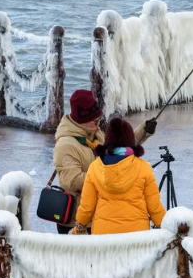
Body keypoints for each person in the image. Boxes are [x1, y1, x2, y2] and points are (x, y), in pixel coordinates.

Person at [72, 117, 166, 278]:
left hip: (104, 242)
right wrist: (168, 229)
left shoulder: (96, 168)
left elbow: (86, 207)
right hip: (136, 242)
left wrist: (78, 229)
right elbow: (155, 208)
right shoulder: (143, 168)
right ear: (130, 142)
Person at [52, 89, 156, 234]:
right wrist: (106, 175)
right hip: (76, 221)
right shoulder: (66, 145)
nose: (98, 125)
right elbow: (72, 181)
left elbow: (120, 148)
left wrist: (144, 129)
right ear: (81, 120)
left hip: (96, 216)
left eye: (99, 120)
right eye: (95, 121)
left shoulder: (94, 133)